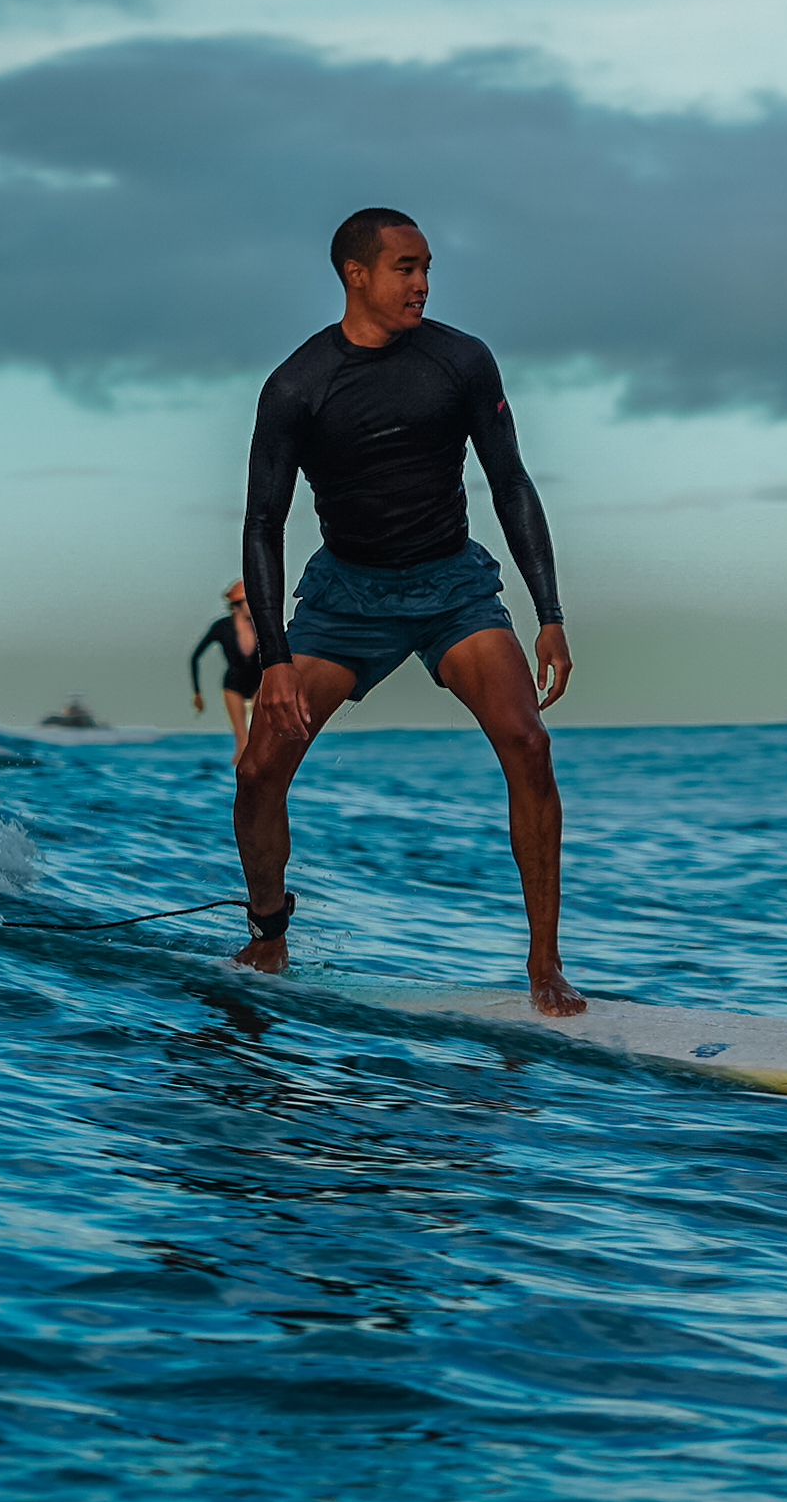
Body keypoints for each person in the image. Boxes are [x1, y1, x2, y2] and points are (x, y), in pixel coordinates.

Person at [232, 206, 581, 1014]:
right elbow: (261, 523)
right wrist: (275, 659)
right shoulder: (297, 386)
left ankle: (545, 964)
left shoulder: (461, 360)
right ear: (357, 275)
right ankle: (269, 932)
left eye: (427, 269)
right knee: (258, 770)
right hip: (346, 597)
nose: (422, 284)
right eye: (406, 268)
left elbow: (510, 482)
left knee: (528, 743)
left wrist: (549, 613)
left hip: (451, 587)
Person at [188, 580, 264, 757]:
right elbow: (195, 656)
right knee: (242, 742)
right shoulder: (222, 627)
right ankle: (235, 773)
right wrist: (197, 693)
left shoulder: (261, 625)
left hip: (258, 683)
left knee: (259, 739)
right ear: (236, 605)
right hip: (233, 685)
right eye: (248, 602)